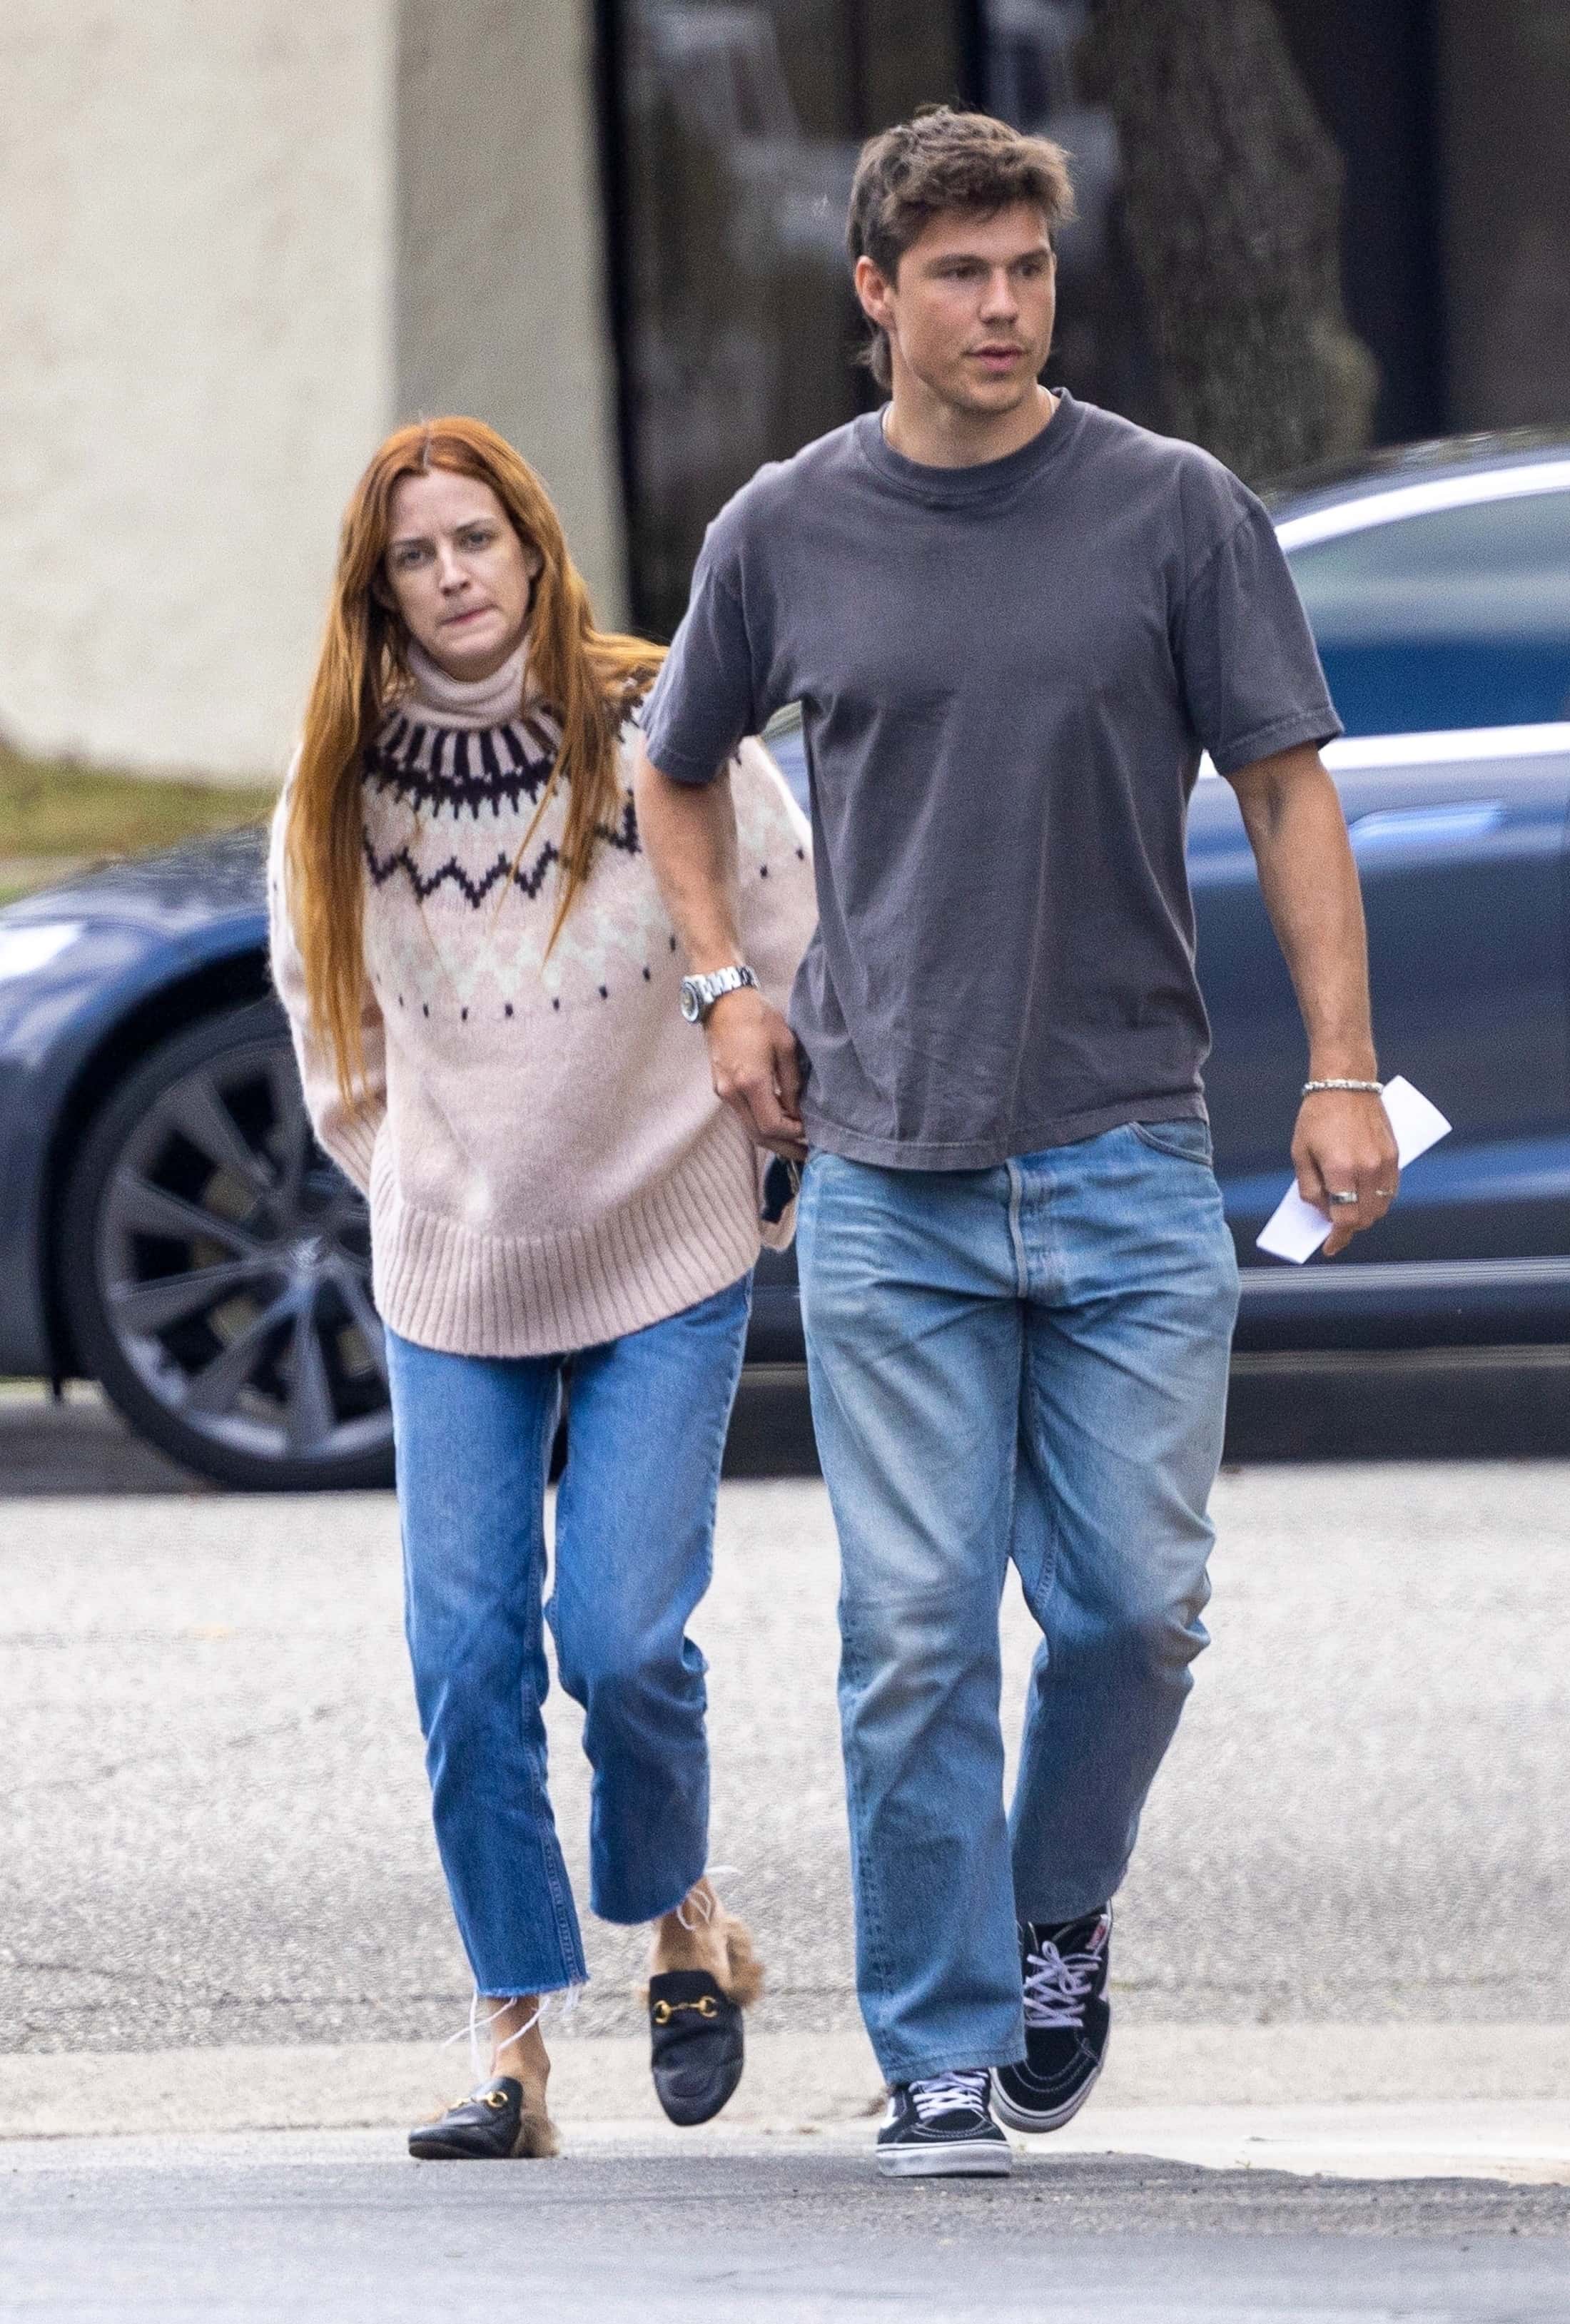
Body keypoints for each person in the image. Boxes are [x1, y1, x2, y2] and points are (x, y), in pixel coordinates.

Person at [634, 108, 1399, 2178]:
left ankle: (1057, 1912)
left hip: (1129, 1151)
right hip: (887, 1175)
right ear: (874, 294)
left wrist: (1342, 1065)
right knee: (909, 1630)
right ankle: (942, 2046)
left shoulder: (1174, 510)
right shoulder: (784, 530)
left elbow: (1287, 788)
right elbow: (673, 767)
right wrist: (721, 988)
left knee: (1136, 1609)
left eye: (1029, 269)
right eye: (959, 273)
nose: (1001, 306)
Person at [269, 417, 814, 2159]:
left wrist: (762, 1147)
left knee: (624, 1640)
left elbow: (786, 933)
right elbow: (335, 1043)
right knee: (464, 1657)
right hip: (458, 1263)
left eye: (476, 540)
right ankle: (510, 2055)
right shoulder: (341, 782)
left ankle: (679, 1924)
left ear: (531, 544)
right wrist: (428, 1188)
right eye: (415, 555)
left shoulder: (662, 721)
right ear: (379, 590)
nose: (454, 577)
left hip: (667, 1233)